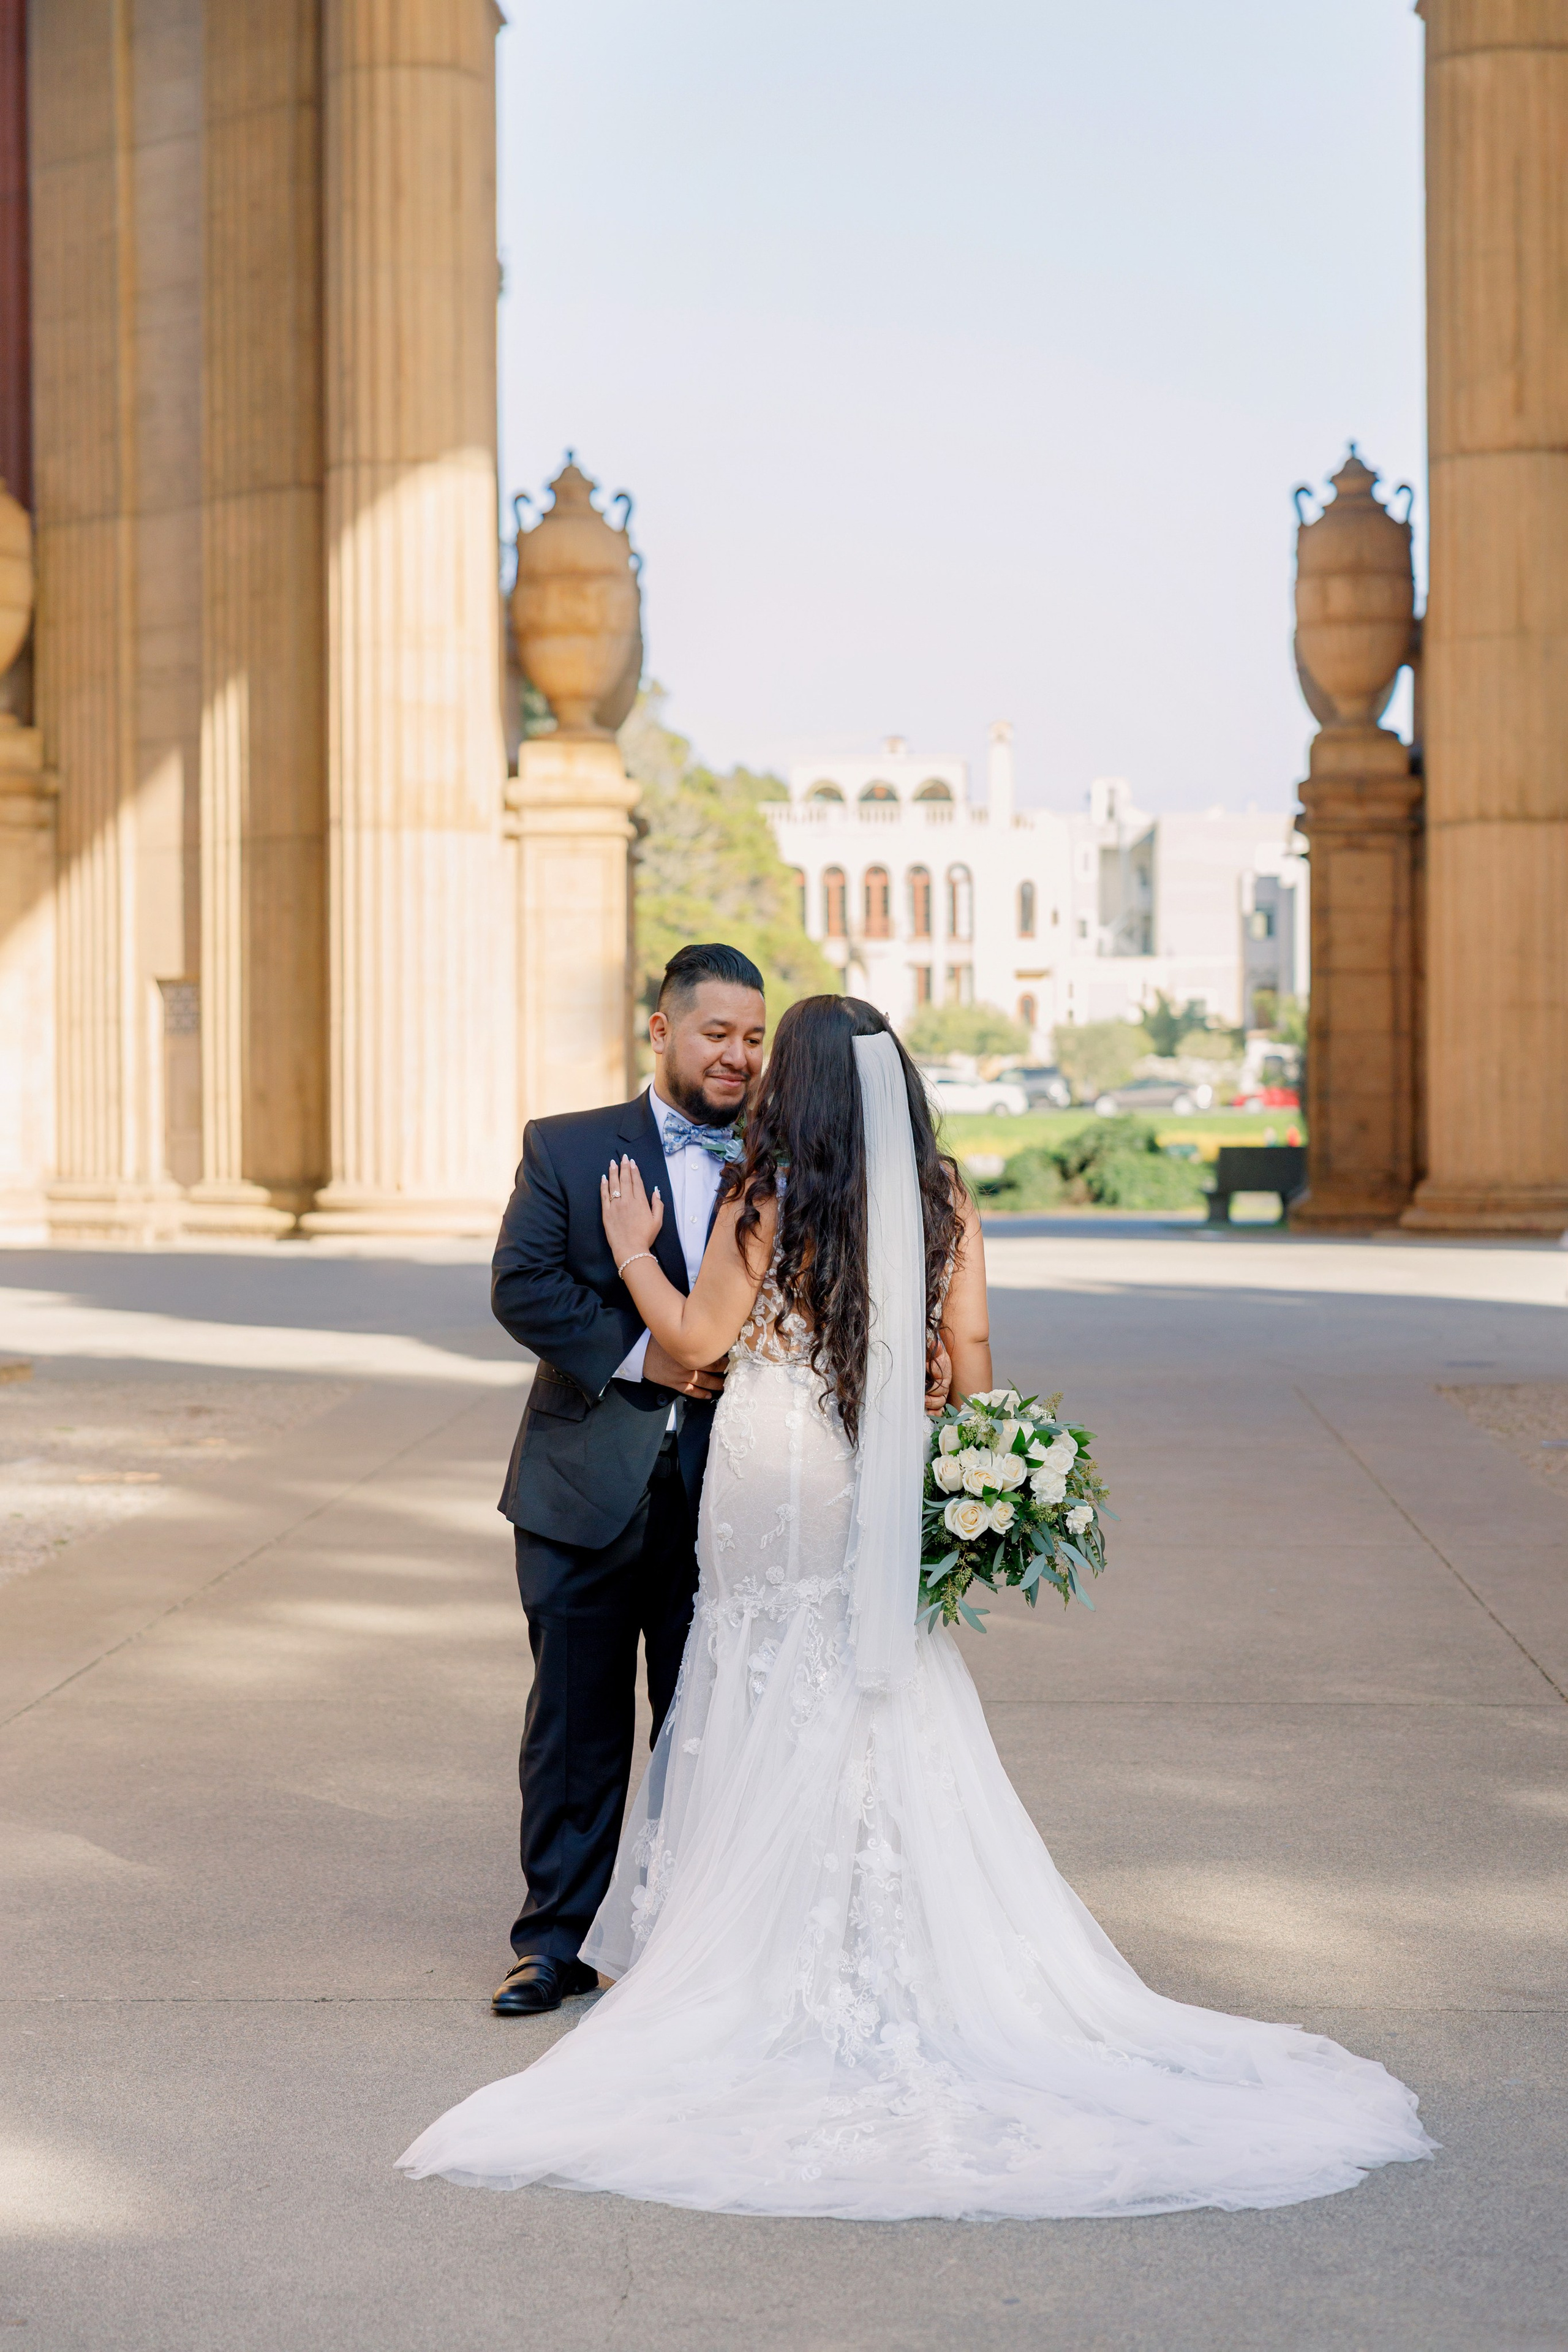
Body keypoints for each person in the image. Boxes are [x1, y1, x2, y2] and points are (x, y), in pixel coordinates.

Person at [402, 997, 1432, 2219]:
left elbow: (688, 1335)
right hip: (857, 1472)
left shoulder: (761, 1196)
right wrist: (947, 1428)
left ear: (790, 1081)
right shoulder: (942, 1197)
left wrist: (633, 1247)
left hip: (764, 1465)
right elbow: (972, 1353)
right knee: (866, 1670)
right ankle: (874, 1933)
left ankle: (731, 1938)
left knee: (747, 1668)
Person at [485, 942, 767, 2017]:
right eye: (716, 1033)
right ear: (661, 1029)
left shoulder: (787, 1162)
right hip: (581, 1480)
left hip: (732, 1492)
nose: (736, 1056)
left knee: (708, 1719)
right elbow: (524, 1288)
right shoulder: (566, 1148)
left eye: (752, 1037)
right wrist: (654, 1355)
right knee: (574, 1722)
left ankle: (685, 1938)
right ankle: (551, 1941)